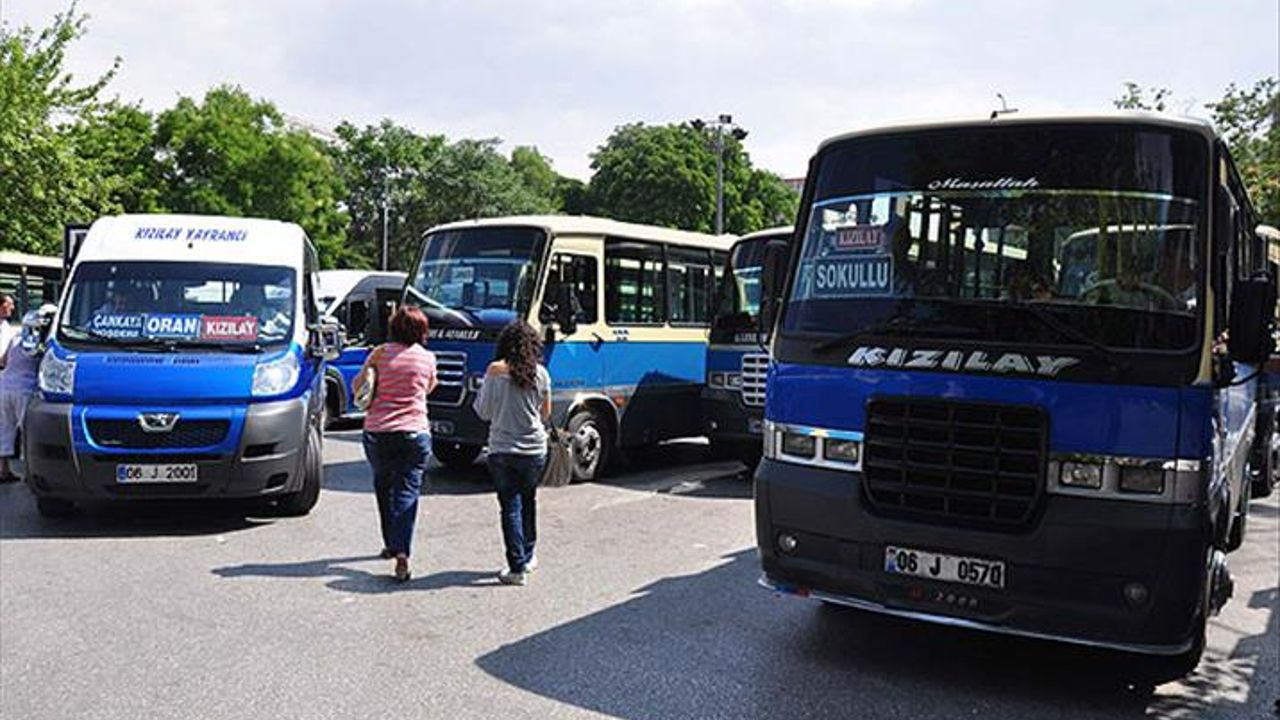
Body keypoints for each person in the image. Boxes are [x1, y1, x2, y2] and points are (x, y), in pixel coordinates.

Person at [353, 306, 437, 582]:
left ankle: (391, 542)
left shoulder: (379, 353)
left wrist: (373, 368)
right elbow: (429, 387)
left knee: (383, 485)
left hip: (378, 432)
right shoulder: (427, 358)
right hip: (415, 432)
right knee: (407, 491)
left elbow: (358, 387)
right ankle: (402, 553)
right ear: (421, 331)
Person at [472, 321, 552, 586]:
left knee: (510, 507)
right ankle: (528, 556)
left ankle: (516, 567)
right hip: (534, 450)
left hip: (502, 450)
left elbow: (482, 411)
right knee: (528, 501)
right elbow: (545, 413)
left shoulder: (495, 371)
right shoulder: (541, 374)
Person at [0, 305, 55, 483]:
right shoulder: (45, 340)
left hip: (5, 386)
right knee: (27, 432)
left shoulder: (16, 336)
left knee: (4, 429)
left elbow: (3, 360)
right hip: (25, 389)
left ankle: (4, 469)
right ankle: (30, 473)